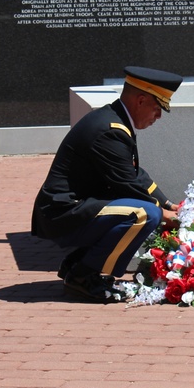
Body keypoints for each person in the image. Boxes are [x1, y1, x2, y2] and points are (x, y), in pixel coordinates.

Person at [32, 66, 183, 303]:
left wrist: (169, 203)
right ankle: (83, 276)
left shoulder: (115, 120)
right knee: (145, 214)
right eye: (157, 108)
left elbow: (135, 174)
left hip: (75, 207)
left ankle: (77, 263)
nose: (159, 116)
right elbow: (126, 184)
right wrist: (164, 213)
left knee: (149, 209)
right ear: (141, 100)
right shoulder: (110, 130)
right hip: (63, 213)